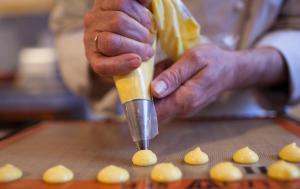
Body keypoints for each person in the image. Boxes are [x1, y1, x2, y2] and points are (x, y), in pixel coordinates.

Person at [50, 0, 300, 121]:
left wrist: (241, 68)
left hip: (247, 119)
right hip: (120, 127)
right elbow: (69, 27)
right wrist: (106, 54)